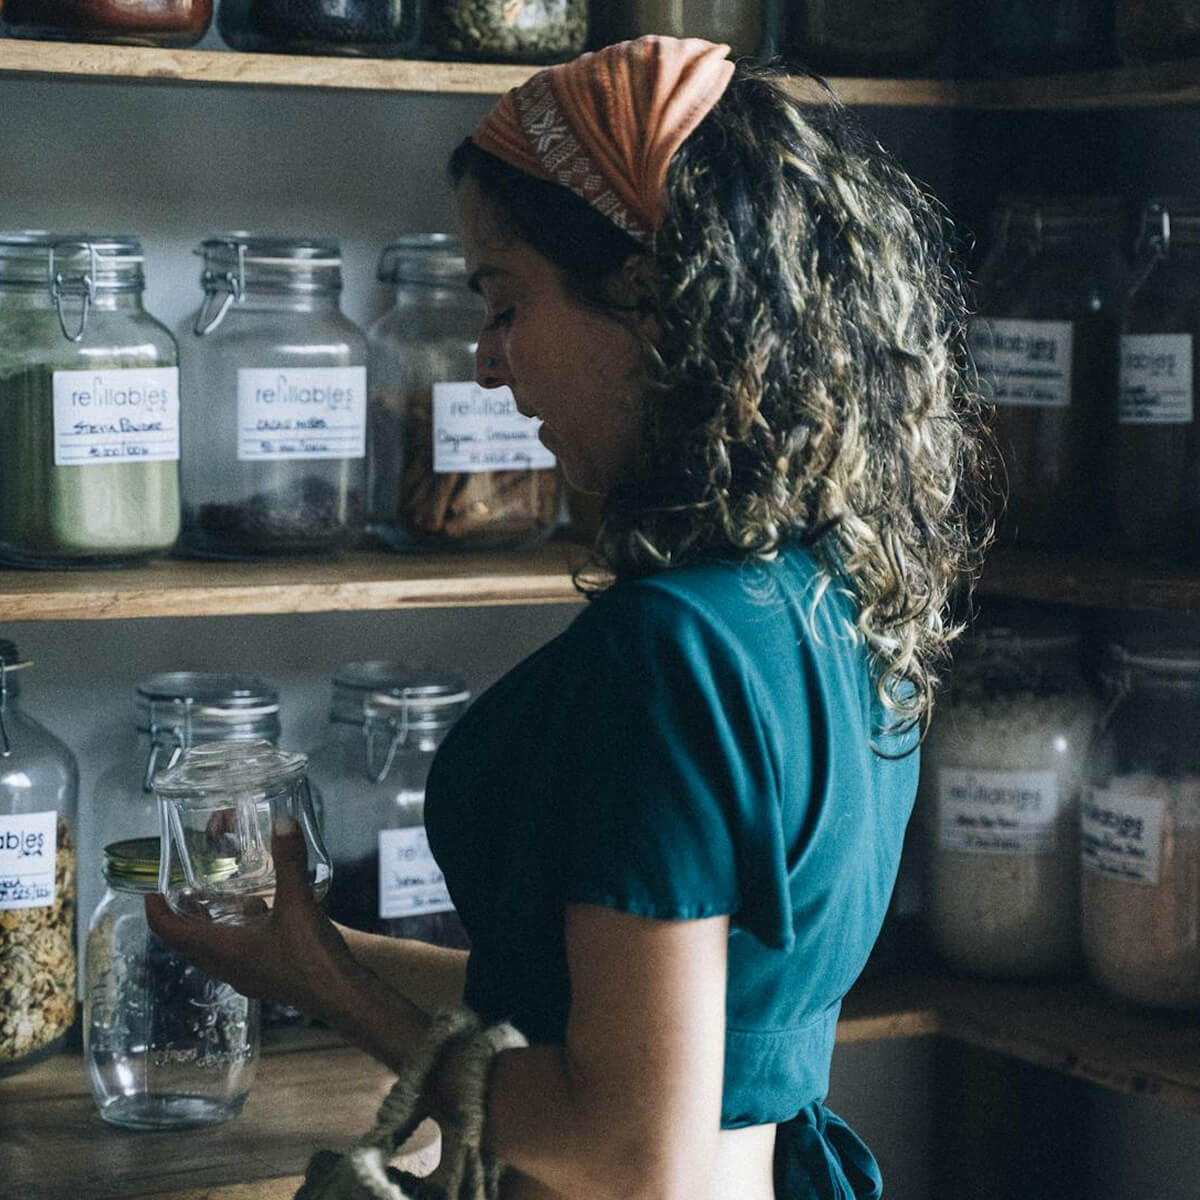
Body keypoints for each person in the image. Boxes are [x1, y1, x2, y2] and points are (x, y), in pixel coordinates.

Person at [147, 35, 990, 1200]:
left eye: (505, 303)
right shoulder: (828, 594)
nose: (487, 365)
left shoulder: (671, 653)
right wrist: (311, 959)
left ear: (647, 299)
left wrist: (346, 1004)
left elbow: (626, 1146)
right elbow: (598, 1005)